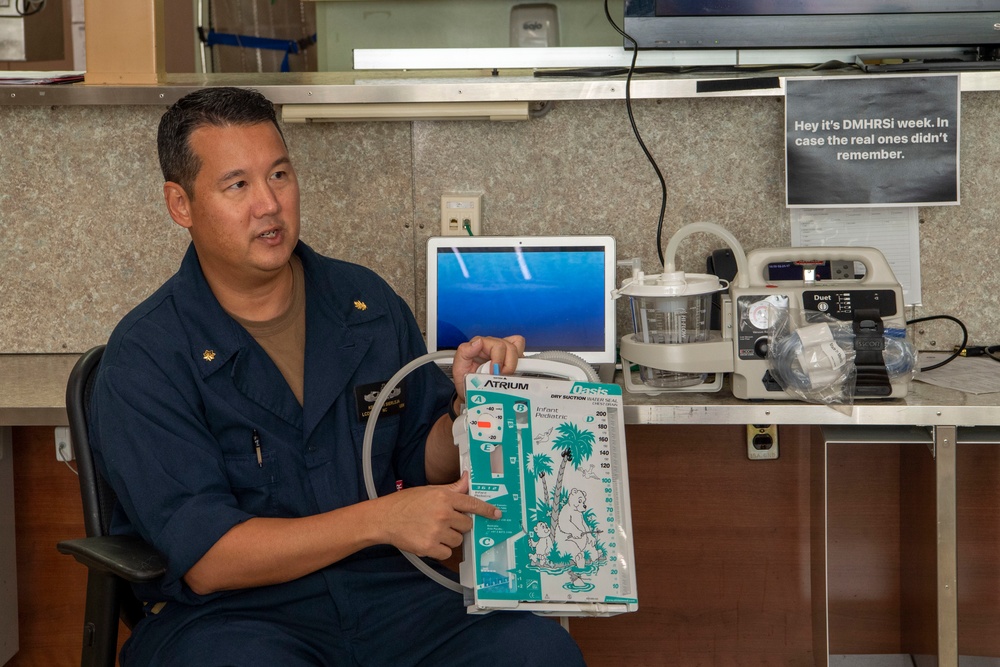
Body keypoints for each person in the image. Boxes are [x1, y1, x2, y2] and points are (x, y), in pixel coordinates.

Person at [89, 86, 586, 666]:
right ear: (181, 204)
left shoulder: (365, 303)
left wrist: (465, 411)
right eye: (238, 185)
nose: (269, 204)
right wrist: (381, 521)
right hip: (235, 619)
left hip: (391, 598)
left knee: (538, 653)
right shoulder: (147, 355)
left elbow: (415, 462)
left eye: (279, 174)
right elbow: (209, 560)